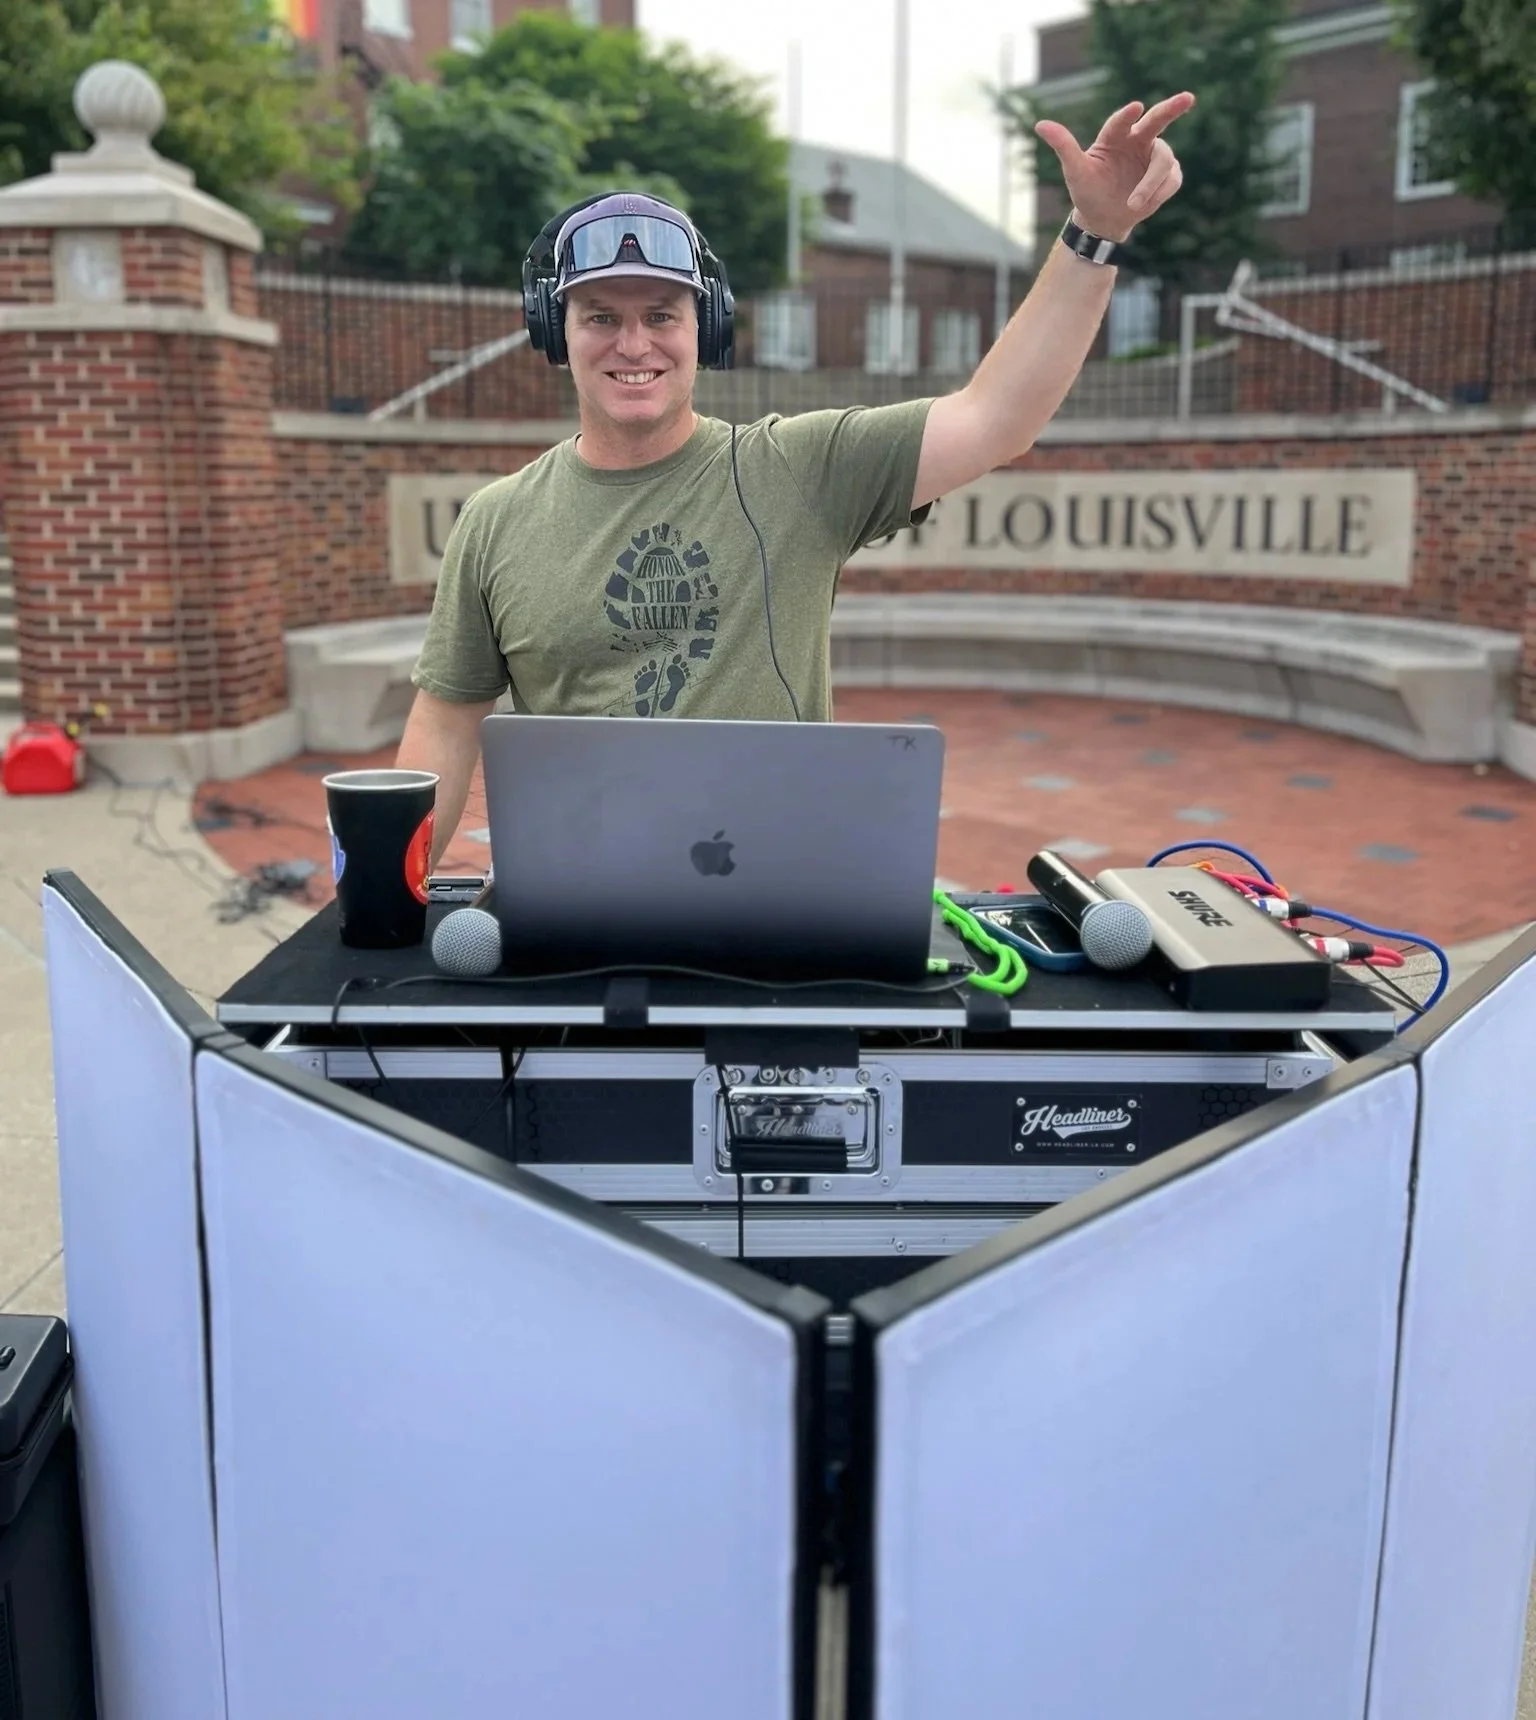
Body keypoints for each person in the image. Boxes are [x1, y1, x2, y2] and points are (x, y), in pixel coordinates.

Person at [398, 94, 1195, 861]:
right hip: (573, 898)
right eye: (601, 316)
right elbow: (444, 717)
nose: (633, 344)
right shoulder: (495, 521)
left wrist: (1093, 234)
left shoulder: (800, 470)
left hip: (771, 890)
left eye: (662, 315)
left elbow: (996, 419)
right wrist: (393, 891)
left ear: (704, 327)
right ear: (555, 331)